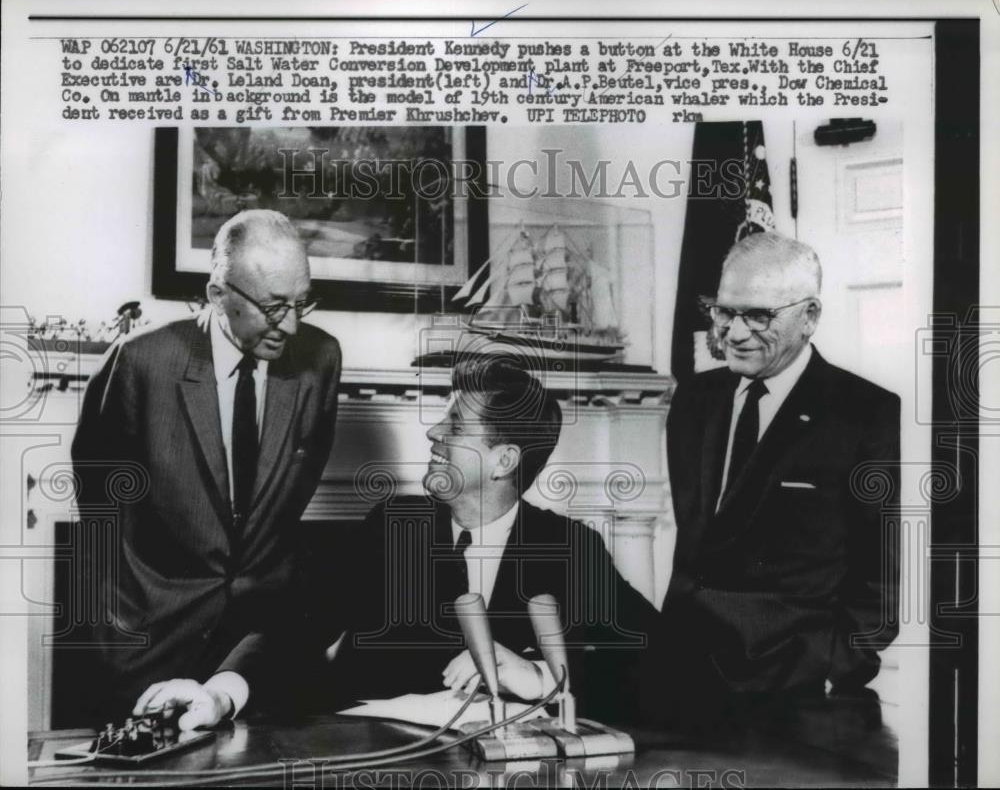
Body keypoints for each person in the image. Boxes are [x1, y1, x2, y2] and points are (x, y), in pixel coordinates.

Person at [70, 209, 342, 728]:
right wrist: (130, 612)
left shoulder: (322, 359)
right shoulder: (140, 363)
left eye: (302, 302)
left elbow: (289, 496)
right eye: (273, 306)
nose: (291, 324)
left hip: (256, 650)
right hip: (148, 641)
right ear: (219, 295)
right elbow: (99, 501)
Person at [309, 357, 657, 722]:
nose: (434, 433)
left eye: (456, 425)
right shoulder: (392, 526)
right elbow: (299, 628)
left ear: (503, 461)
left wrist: (541, 677)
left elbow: (661, 658)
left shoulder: (571, 547)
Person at [653, 232, 900, 722]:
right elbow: (698, 539)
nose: (735, 333)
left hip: (796, 686)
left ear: (809, 317)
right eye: (724, 312)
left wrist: (839, 665)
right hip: (683, 672)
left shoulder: (866, 413)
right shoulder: (695, 399)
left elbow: (887, 566)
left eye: (759, 316)